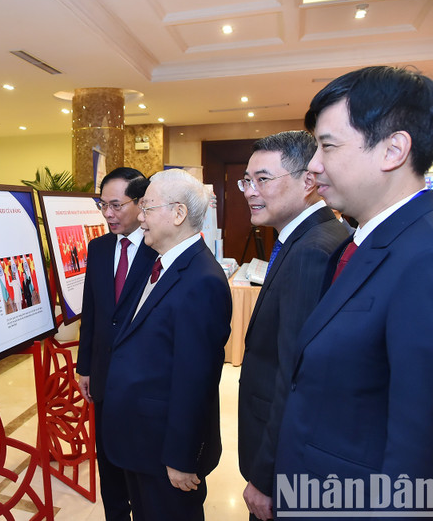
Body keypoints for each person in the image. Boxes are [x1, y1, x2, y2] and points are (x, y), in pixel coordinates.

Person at [274, 66, 433, 515]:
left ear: (393, 149)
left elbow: (418, 451)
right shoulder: (360, 243)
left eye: (327, 145)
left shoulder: (427, 258)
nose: (313, 165)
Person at [102, 169, 231, 520]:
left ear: (178, 214)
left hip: (165, 453)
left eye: (147, 208)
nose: (139, 218)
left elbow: (196, 380)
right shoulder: (162, 265)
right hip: (141, 442)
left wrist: (180, 457)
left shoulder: (201, 280)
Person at [236, 131, 348, 520]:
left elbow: (294, 373)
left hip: (283, 461)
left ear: (308, 181)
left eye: (262, 179)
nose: (250, 191)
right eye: (246, 180)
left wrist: (267, 476)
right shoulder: (306, 237)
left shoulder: (313, 250)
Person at [76, 166, 157, 521]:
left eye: (115, 205)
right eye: (102, 204)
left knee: (140, 471)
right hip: (104, 377)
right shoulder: (98, 248)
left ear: (141, 204)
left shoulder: (159, 251)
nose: (108, 214)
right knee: (107, 464)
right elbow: (91, 313)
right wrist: (85, 368)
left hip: (142, 383)